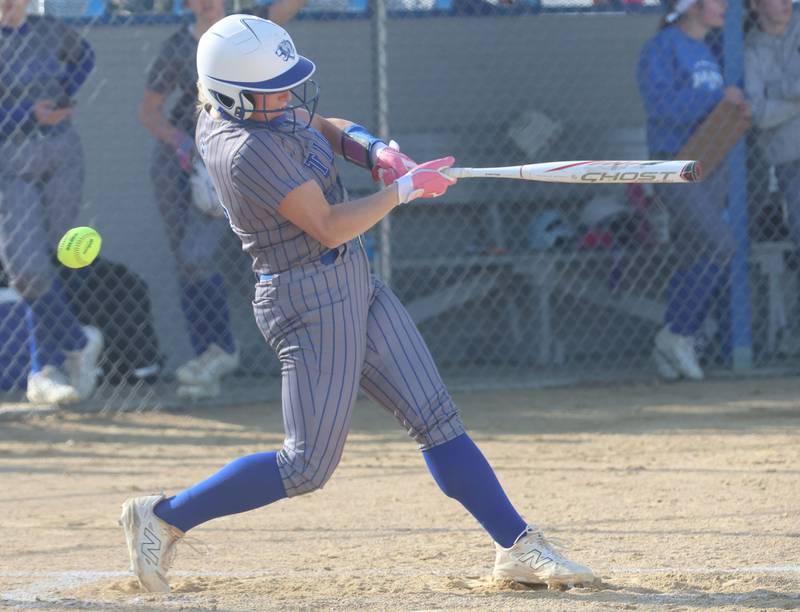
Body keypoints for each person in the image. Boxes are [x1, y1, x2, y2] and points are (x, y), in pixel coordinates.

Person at [120, 14, 596, 593]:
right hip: (306, 301)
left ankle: (517, 545)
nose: (288, 97)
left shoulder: (258, 105)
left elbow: (324, 126)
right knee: (305, 467)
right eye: (273, 91)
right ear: (234, 98)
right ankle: (164, 516)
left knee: (437, 418)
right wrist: (402, 190)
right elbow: (326, 225)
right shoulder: (244, 151)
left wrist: (378, 153)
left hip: (352, 281)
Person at [139, 0, 307, 400]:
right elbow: (149, 110)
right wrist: (179, 142)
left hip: (233, 149)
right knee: (188, 259)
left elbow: (289, 9)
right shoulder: (178, 46)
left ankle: (226, 349)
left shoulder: (246, 26)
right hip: (184, 162)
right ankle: (207, 355)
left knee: (216, 254)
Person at [637, 0, 751, 381]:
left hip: (710, 160)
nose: (725, 7)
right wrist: (718, 100)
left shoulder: (707, 49)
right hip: (674, 162)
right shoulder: (664, 45)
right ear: (692, 6)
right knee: (721, 244)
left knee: (697, 252)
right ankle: (678, 333)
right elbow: (661, 106)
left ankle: (673, 342)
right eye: (718, 1)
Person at [0, 0, 103, 404]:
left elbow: (85, 57)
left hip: (61, 152)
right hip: (12, 160)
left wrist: (65, 96)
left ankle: (44, 370)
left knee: (55, 253)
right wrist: (28, 114)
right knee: (25, 268)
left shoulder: (49, 29)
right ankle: (78, 341)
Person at [745, 0, 800, 246]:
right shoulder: (751, 51)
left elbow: (768, 106)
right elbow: (758, 115)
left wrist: (777, 91)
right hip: (789, 157)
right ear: (756, 5)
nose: (786, 2)